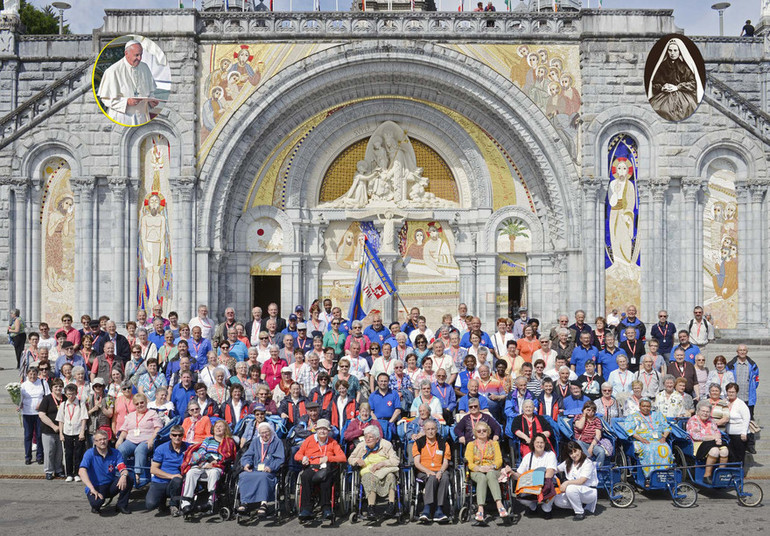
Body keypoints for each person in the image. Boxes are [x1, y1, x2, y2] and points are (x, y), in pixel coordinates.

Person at [180, 419, 237, 514]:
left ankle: (211, 500)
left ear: (225, 429)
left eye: (221, 426)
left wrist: (215, 463)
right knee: (191, 472)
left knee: (213, 472)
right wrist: (208, 461)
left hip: (218, 466)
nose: (218, 427)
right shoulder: (208, 440)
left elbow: (228, 456)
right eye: (216, 426)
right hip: (203, 464)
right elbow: (201, 451)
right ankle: (185, 502)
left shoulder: (229, 442)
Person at [294, 418, 346, 521]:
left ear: (328, 431)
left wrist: (329, 458)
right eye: (320, 429)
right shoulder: (309, 440)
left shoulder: (333, 442)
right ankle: (306, 509)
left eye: (325, 429)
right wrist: (303, 458)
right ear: (316, 430)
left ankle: (326, 508)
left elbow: (343, 458)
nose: (322, 431)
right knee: (305, 476)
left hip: (326, 468)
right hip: (312, 467)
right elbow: (297, 455)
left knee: (326, 479)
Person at [348, 424, 400, 520]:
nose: (367, 439)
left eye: (370, 437)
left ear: (377, 439)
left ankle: (391, 506)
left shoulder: (386, 444)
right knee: (369, 478)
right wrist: (356, 461)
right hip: (368, 471)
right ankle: (371, 508)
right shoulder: (361, 446)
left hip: (383, 470)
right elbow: (350, 459)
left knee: (391, 476)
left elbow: (396, 460)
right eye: (366, 437)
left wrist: (382, 464)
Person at [78, 429, 133, 514]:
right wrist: (92, 489)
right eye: (99, 440)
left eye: (104, 439)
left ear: (108, 440)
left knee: (129, 479)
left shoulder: (116, 453)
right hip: (96, 486)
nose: (102, 442)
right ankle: (96, 505)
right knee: (96, 504)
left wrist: (124, 475)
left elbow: (122, 467)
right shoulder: (89, 453)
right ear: (95, 442)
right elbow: (81, 471)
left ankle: (121, 505)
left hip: (110, 485)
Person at [238, 421, 285, 516]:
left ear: (271, 431)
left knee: (263, 476)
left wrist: (271, 467)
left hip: (269, 471)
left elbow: (280, 458)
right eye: (262, 433)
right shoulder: (255, 441)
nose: (264, 435)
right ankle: (245, 503)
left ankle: (263, 503)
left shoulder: (277, 442)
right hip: (255, 469)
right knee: (243, 475)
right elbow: (247, 455)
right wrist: (246, 464)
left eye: (266, 432)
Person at [464, 421, 508, 522]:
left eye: (484, 430)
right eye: (479, 431)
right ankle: (480, 509)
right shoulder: (471, 445)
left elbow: (499, 460)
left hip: (492, 469)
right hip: (477, 470)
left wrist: (492, 466)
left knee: (491, 474)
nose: (482, 432)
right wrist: (479, 468)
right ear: (475, 433)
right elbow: (469, 462)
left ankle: (499, 504)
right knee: (482, 477)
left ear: (488, 432)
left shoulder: (494, 444)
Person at [116, 393, 163, 486]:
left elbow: (158, 427)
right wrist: (120, 439)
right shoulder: (130, 415)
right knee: (121, 449)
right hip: (131, 440)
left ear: (146, 402)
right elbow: (125, 430)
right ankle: (121, 473)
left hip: (146, 440)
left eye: (142, 402)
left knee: (140, 450)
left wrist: (152, 439)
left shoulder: (152, 413)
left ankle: (137, 475)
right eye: (137, 404)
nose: (140, 405)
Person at [411, 418, 451, 523]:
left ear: (436, 429)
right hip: (423, 472)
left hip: (440, 470)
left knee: (445, 477)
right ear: (424, 430)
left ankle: (439, 510)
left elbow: (445, 462)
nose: (430, 431)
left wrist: (441, 472)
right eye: (428, 429)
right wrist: (428, 471)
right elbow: (417, 463)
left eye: (433, 429)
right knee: (432, 477)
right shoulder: (418, 443)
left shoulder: (443, 443)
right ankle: (427, 509)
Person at [512, 433, 558, 518]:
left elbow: (550, 473)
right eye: (537, 442)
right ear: (533, 443)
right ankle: (533, 506)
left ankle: (546, 509)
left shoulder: (550, 454)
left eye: (542, 443)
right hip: (531, 484)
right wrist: (511, 473)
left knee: (551, 489)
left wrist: (538, 484)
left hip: (546, 483)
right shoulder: (528, 456)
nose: (539, 445)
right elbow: (519, 475)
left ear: (545, 444)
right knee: (521, 496)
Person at [623, 399, 671, 477]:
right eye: (644, 406)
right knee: (649, 449)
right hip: (641, 441)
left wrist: (664, 437)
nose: (646, 408)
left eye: (648, 406)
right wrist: (641, 439)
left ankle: (664, 474)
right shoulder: (633, 417)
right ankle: (649, 475)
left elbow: (667, 427)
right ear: (639, 406)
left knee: (665, 448)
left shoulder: (658, 415)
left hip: (658, 440)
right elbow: (629, 430)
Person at [146, 424, 187, 515]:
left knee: (177, 480)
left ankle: (174, 505)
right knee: (150, 505)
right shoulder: (161, 448)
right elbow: (153, 470)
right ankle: (161, 501)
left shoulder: (188, 447)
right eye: (174, 435)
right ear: (170, 436)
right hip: (160, 481)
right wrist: (171, 476)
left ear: (183, 436)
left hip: (176, 482)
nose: (177, 437)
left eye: (180, 435)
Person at [553, 441, 598, 521]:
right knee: (557, 500)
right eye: (571, 453)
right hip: (575, 491)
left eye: (575, 451)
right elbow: (557, 469)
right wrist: (546, 471)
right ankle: (579, 506)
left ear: (580, 450)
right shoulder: (568, 462)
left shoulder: (587, 463)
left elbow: (582, 481)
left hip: (588, 492)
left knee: (570, 488)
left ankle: (579, 512)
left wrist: (566, 483)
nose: (574, 455)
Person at [687, 401, 729, 484]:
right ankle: (707, 476)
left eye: (707, 412)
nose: (705, 413)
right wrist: (713, 437)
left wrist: (718, 438)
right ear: (698, 411)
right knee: (714, 451)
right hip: (698, 443)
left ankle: (720, 475)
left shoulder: (711, 420)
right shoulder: (693, 420)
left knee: (725, 451)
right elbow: (696, 436)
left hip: (712, 442)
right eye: (703, 411)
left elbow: (717, 431)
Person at [38, 378, 65, 479]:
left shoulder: (65, 398)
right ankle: (49, 471)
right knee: (49, 451)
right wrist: (53, 426)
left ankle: (58, 470)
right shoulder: (47, 399)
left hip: (62, 431)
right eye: (55, 386)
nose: (58, 388)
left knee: (59, 452)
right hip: (48, 430)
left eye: (60, 386)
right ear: (51, 388)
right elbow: (41, 414)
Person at [19, 365, 46, 465]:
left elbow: (47, 396)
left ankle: (40, 456)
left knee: (39, 435)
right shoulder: (23, 385)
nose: (33, 376)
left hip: (39, 413)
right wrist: (19, 404)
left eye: (34, 374)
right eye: (30, 374)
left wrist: (41, 404)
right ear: (27, 375)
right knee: (28, 435)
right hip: (27, 412)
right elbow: (20, 398)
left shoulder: (42, 382)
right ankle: (28, 456)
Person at [725, 383, 751, 465]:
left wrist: (744, 432)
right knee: (731, 456)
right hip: (728, 434)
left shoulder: (741, 404)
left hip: (739, 434)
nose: (731, 394)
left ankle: (739, 474)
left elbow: (746, 418)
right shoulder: (725, 402)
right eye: (729, 392)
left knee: (739, 456)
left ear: (736, 392)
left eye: (733, 392)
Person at [572, 401, 605, 466]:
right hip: (581, 442)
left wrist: (591, 447)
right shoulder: (578, 417)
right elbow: (580, 427)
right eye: (588, 410)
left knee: (601, 452)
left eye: (593, 411)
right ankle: (589, 463)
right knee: (578, 443)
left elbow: (598, 435)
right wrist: (584, 415)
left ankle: (599, 469)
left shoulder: (597, 420)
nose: (590, 412)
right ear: (584, 410)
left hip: (592, 442)